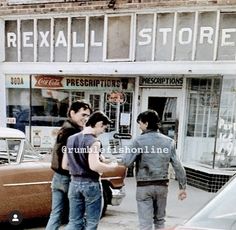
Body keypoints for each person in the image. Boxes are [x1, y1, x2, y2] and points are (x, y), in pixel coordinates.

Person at [120, 110, 187, 230]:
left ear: (146, 124)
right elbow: (178, 165)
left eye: (140, 123)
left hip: (144, 186)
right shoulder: (169, 142)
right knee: (160, 221)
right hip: (162, 186)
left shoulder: (138, 141)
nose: (139, 126)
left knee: (145, 224)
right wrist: (182, 188)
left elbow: (126, 162)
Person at [62, 111, 124, 230]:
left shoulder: (71, 139)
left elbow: (65, 165)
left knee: (74, 222)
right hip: (91, 183)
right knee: (91, 222)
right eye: (103, 128)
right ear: (99, 124)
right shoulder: (94, 142)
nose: (102, 132)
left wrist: (78, 167)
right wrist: (112, 167)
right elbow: (94, 166)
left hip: (74, 183)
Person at [45, 100, 92, 230]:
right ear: (72, 113)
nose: (86, 118)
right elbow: (76, 158)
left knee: (56, 214)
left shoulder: (64, 128)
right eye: (83, 115)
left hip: (57, 176)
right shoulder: (73, 132)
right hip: (69, 177)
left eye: (88, 115)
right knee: (77, 217)